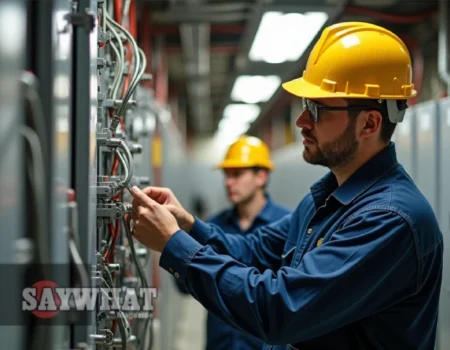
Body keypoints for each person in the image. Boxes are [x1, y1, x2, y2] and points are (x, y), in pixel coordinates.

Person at [130, 21, 443, 350]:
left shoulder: (389, 219)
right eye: (305, 106)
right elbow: (253, 252)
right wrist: (187, 225)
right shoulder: (325, 201)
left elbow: (279, 310)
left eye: (317, 109)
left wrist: (175, 245)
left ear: (369, 123)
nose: (302, 122)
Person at [176, 136, 291, 350]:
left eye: (237, 175)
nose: (229, 182)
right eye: (226, 175)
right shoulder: (213, 226)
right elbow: (184, 287)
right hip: (220, 343)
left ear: (261, 176)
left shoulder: (286, 226)